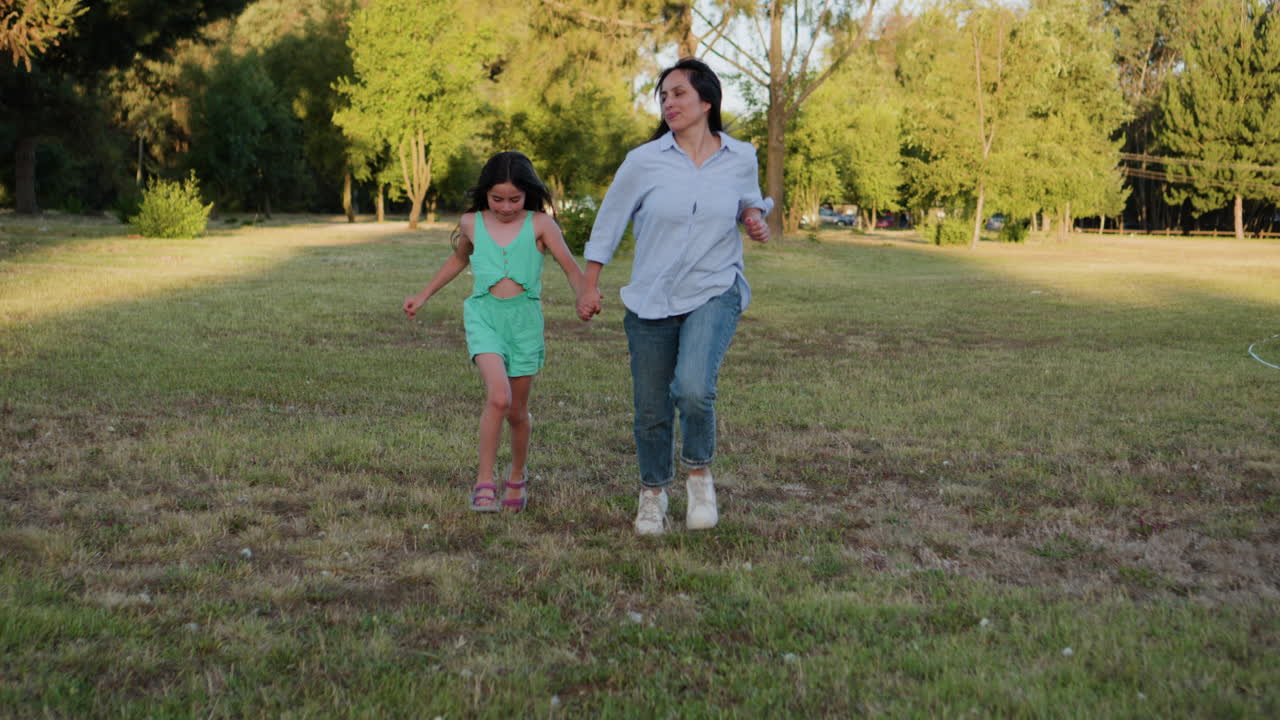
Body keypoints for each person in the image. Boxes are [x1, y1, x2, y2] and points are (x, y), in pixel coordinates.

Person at [578, 58, 771, 535]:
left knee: (692, 388)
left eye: (679, 93)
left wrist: (753, 216)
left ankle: (699, 476)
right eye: (663, 96)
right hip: (652, 296)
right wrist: (590, 282)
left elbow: (750, 197)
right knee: (650, 408)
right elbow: (610, 222)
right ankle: (653, 493)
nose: (669, 103)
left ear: (707, 101)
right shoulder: (644, 161)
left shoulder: (740, 156)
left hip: (714, 286)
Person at [404, 151, 596, 512]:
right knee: (498, 397)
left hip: (524, 324)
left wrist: (584, 293)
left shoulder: (541, 225)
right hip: (484, 317)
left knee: (517, 412)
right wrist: (423, 295)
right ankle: (484, 482)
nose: (506, 207)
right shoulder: (472, 224)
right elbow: (459, 259)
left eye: (514, 199)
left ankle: (517, 476)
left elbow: (571, 267)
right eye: (497, 199)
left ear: (528, 193)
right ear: (485, 194)